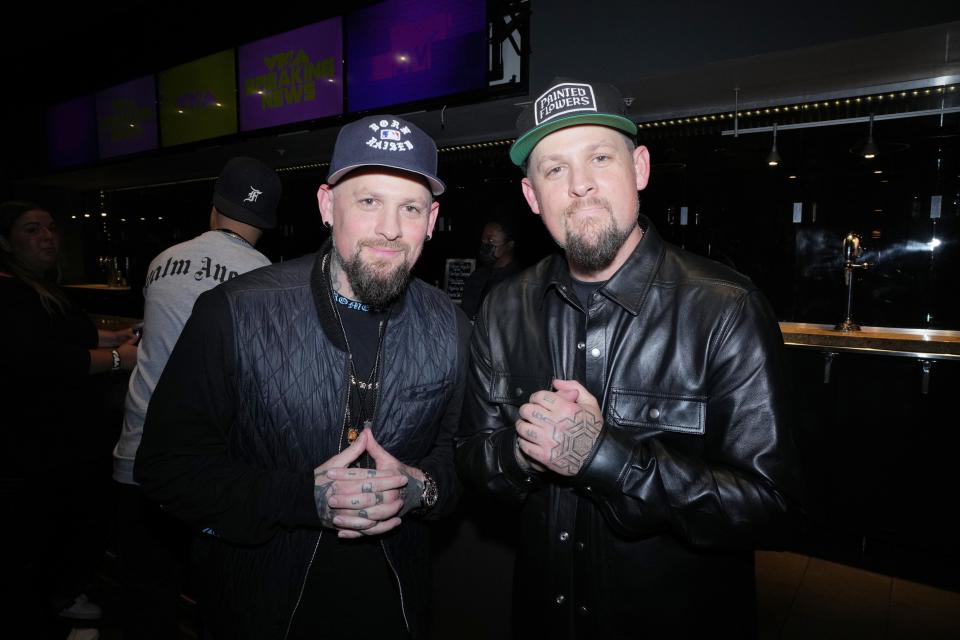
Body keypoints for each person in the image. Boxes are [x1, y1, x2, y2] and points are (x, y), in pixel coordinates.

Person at [455, 78, 803, 639]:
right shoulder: (503, 308)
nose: (581, 186)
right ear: (532, 197)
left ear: (639, 168)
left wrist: (604, 458)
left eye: (599, 157)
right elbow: (472, 459)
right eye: (555, 169)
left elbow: (771, 505)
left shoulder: (725, 308)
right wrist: (523, 453)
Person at [135, 115, 470, 640]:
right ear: (326, 206)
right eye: (367, 202)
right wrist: (299, 499)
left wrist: (420, 490)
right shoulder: (235, 311)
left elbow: (458, 452)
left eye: (409, 207)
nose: (390, 227)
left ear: (431, 221)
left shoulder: (449, 324)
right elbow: (166, 468)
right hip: (259, 605)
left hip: (396, 605)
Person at [112, 156, 282, 639]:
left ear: (214, 208)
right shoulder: (267, 277)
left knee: (144, 597)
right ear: (267, 221)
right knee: (217, 600)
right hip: (212, 466)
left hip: (139, 452)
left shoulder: (163, 260)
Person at [0, 201, 138, 635]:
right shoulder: (9, 292)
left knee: (64, 523)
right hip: (35, 441)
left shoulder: (36, 286)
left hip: (54, 438)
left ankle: (61, 595)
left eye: (50, 229)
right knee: (40, 533)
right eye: (31, 230)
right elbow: (45, 359)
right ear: (6, 242)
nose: (47, 237)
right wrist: (119, 358)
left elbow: (65, 331)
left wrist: (114, 335)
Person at [459, 217, 521, 320]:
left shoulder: (519, 281)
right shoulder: (477, 277)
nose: (485, 245)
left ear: (509, 245)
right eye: (483, 241)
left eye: (491, 241)